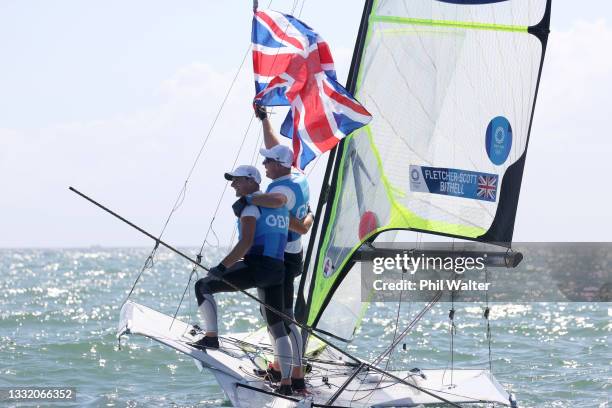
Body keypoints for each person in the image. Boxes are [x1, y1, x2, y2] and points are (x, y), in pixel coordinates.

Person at [191, 164, 294, 395]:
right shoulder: (279, 208)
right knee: (278, 328)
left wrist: (221, 267)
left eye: (237, 180)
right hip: (278, 269)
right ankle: (286, 384)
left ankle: (211, 338)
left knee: (203, 285)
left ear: (251, 181)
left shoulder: (250, 207)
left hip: (257, 267)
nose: (233, 184)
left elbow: (246, 243)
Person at [244, 105, 314, 392]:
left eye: (267, 163)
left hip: (280, 258)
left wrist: (250, 196)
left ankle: (291, 377)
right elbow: (275, 145)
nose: (263, 166)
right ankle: (287, 368)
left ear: (279, 165)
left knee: (278, 318)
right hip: (293, 254)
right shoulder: (296, 175)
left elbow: (299, 226)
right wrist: (264, 119)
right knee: (283, 316)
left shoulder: (279, 192)